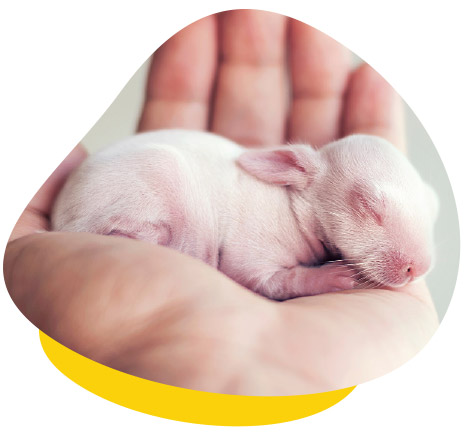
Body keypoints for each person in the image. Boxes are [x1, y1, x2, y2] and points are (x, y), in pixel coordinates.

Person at [4, 10, 438, 395]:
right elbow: (257, 273)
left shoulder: (303, 221)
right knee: (165, 169)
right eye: (372, 211)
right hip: (122, 193)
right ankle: (131, 232)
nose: (416, 267)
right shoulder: (274, 208)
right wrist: (303, 283)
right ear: (293, 169)